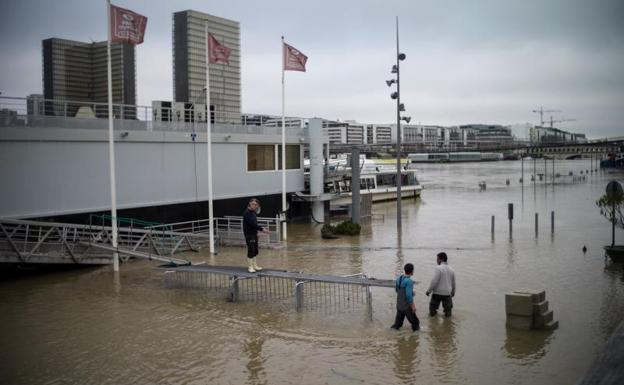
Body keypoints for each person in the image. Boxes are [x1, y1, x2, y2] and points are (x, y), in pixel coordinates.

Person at [390, 263, 420, 331]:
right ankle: (415, 339)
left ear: (405, 270)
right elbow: (408, 296)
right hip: (406, 307)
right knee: (416, 323)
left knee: (397, 325)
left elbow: (397, 290)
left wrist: (410, 292)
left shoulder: (399, 278)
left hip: (399, 305)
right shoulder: (409, 281)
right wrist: (413, 307)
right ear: (412, 271)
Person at [425, 252, 456, 317]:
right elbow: (453, 283)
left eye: (437, 259)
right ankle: (448, 326)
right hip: (447, 294)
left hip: (437, 293)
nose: (436, 261)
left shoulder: (438, 268)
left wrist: (428, 291)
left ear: (440, 259)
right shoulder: (452, 270)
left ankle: (433, 325)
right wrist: (453, 292)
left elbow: (434, 281)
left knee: (432, 312)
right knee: (448, 313)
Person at [243, 198, 269, 273]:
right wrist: (262, 229)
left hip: (254, 234)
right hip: (249, 234)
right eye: (253, 204)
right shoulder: (246, 213)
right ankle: (250, 267)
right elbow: (252, 224)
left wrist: (257, 233)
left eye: (256, 205)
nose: (255, 206)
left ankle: (255, 265)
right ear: (250, 204)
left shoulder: (253, 212)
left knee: (255, 250)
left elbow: (255, 224)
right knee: (251, 249)